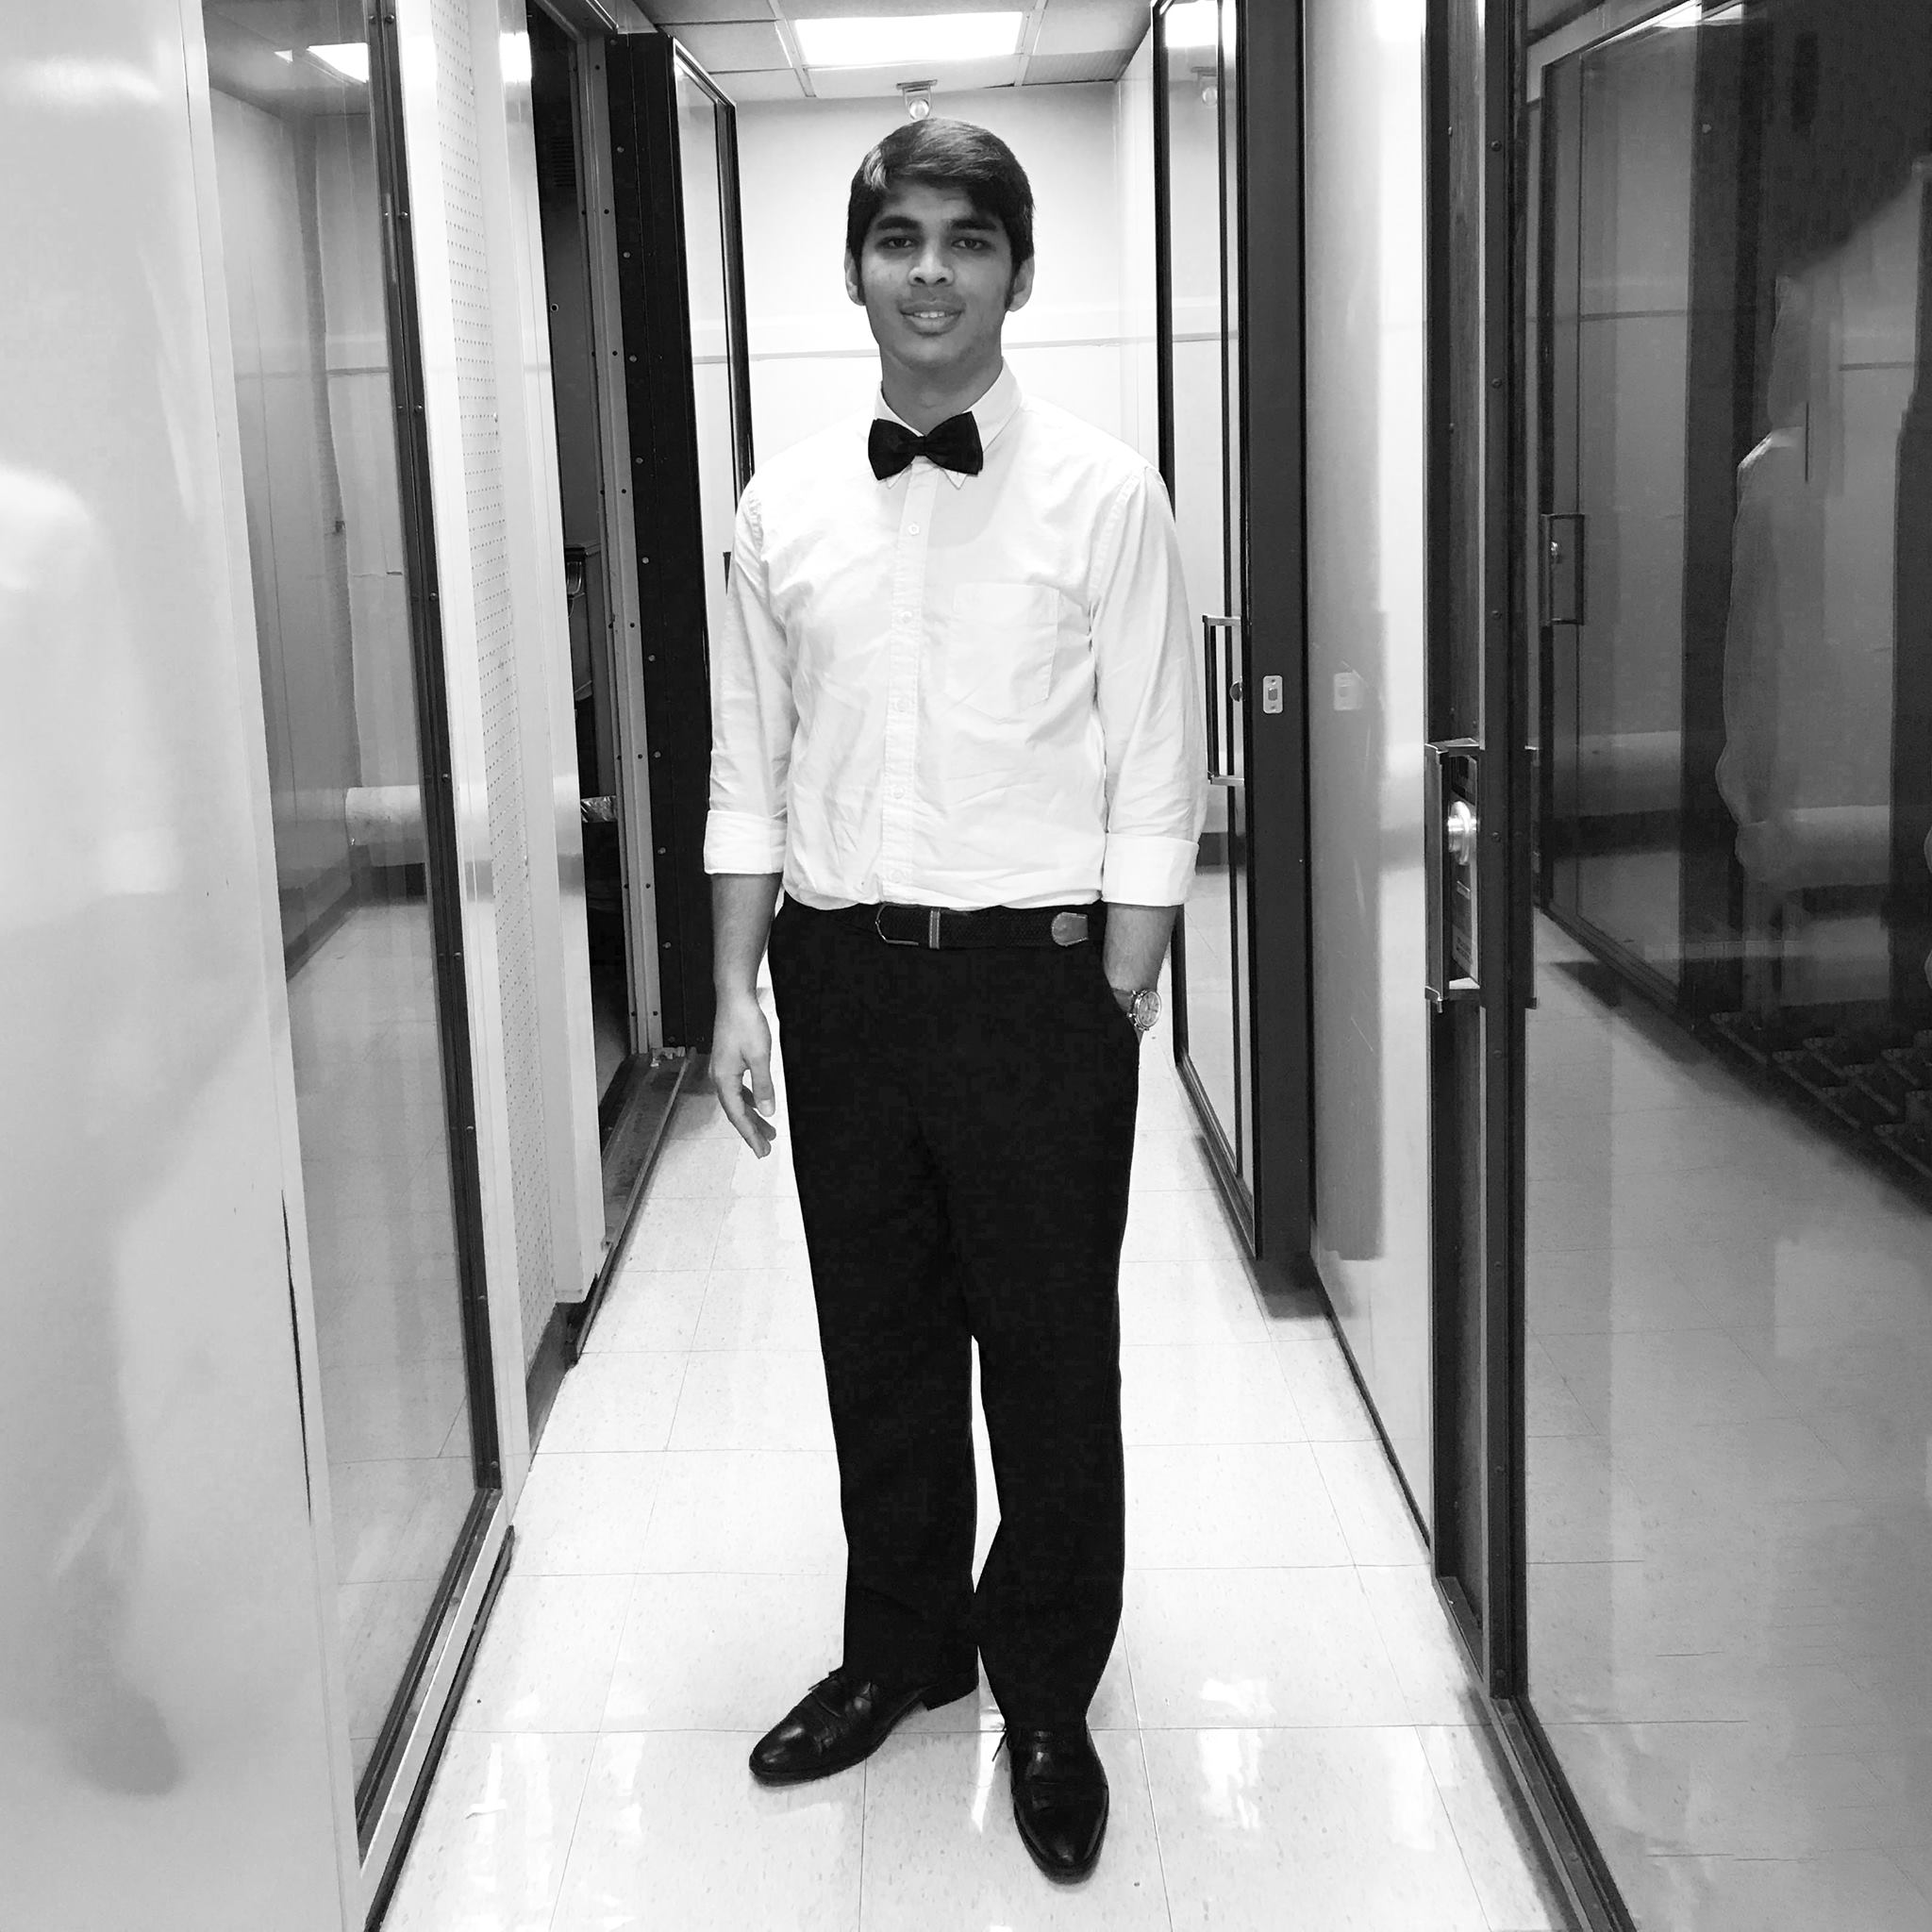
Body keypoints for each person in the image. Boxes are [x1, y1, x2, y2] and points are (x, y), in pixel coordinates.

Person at [704, 116, 1205, 1882]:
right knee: (882, 1333)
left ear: (1019, 271)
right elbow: (750, 763)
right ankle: (902, 1646)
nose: (931, 274)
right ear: (855, 269)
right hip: (843, 974)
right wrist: (735, 984)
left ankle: (1046, 1685)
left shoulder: (1106, 494)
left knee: (1051, 1352)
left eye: (967, 240)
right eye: (899, 239)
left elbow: (1158, 749)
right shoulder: (784, 504)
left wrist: (1120, 980)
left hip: (1034, 980)